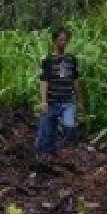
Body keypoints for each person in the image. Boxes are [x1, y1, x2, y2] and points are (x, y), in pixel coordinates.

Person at [36, 26, 82, 156]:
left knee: (69, 127)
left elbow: (75, 81)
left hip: (67, 101)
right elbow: (44, 81)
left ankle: (59, 143)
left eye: (65, 40)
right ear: (54, 41)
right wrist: (44, 102)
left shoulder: (72, 59)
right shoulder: (48, 60)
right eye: (61, 40)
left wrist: (79, 101)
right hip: (51, 102)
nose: (64, 42)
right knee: (44, 135)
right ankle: (44, 156)